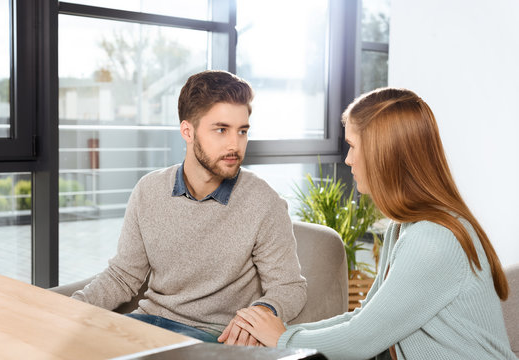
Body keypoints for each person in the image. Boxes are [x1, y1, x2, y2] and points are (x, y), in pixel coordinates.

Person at [232, 87, 517, 359]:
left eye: (354, 146)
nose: (348, 159)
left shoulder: (433, 238)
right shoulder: (404, 225)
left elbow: (361, 340)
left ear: (385, 153)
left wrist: (282, 339)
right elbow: (363, 318)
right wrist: (278, 335)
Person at [72, 70, 307, 345]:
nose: (235, 144)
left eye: (242, 131)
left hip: (209, 338)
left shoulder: (263, 201)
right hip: (144, 324)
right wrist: (70, 309)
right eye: (221, 130)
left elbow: (289, 287)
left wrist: (261, 313)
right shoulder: (149, 190)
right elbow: (123, 276)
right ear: (187, 131)